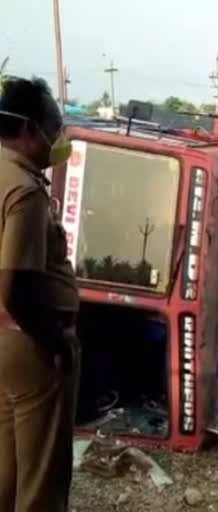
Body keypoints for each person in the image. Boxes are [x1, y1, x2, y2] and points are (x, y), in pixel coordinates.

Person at [0, 77, 80, 511]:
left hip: (3, 346)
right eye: (54, 126)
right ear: (30, 129)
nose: (58, 138)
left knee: (8, 473)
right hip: (31, 346)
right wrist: (56, 343)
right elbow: (15, 285)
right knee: (41, 482)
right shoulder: (25, 190)